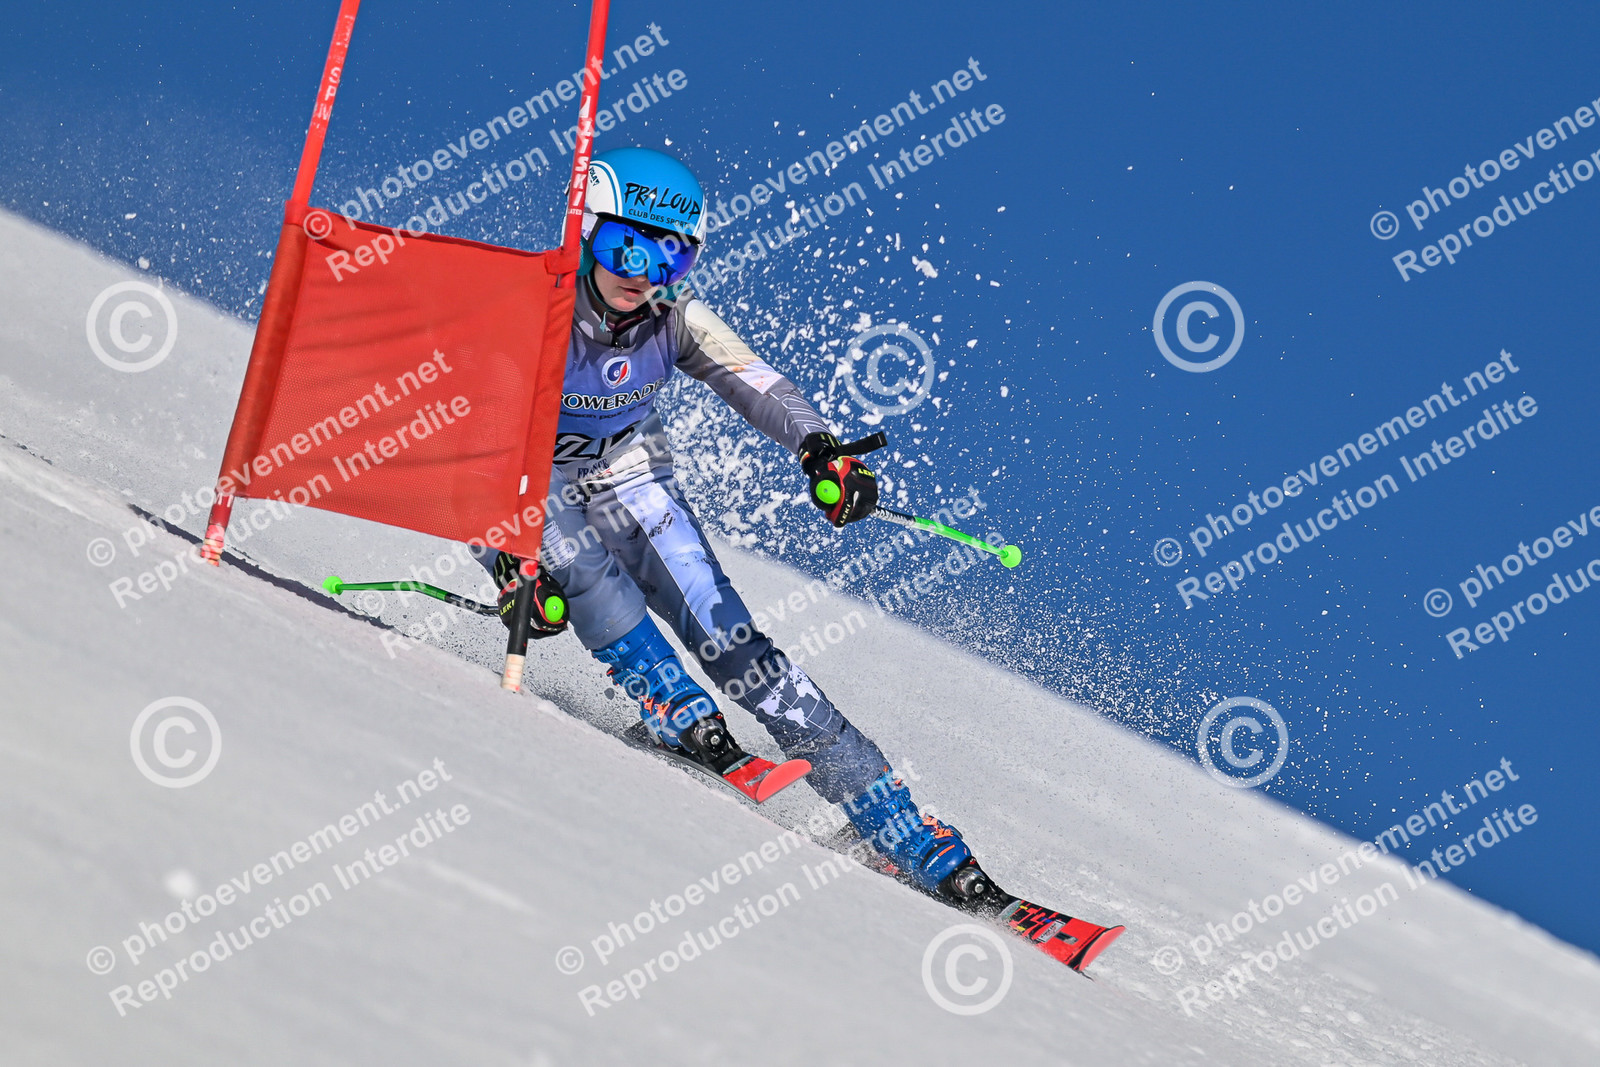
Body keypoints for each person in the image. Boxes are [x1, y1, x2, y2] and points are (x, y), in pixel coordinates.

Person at [486, 146, 987, 901]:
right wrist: (503, 562)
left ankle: (893, 818)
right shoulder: (529, 308)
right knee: (578, 567)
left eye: (671, 257)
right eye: (626, 247)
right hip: (526, 480)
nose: (643, 274)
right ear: (584, 232)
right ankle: (669, 698)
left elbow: (754, 380)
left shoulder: (673, 317)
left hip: (630, 472)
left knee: (732, 640)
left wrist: (820, 451)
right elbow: (460, 444)